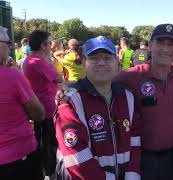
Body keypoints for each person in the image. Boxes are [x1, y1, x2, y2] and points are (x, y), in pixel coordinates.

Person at [54, 36, 141, 180]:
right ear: (83, 62)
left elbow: (135, 140)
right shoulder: (70, 102)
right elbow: (76, 157)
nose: (101, 63)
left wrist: (132, 175)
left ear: (117, 63)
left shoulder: (127, 97)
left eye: (107, 58)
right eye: (94, 58)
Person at [113, 23, 173, 180]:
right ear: (150, 45)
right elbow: (99, 86)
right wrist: (67, 90)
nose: (165, 49)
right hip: (138, 157)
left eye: (171, 44)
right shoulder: (129, 76)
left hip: (171, 157)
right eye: (160, 43)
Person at [0, 26, 45, 180]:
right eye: (8, 42)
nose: (11, 46)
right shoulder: (12, 76)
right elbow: (39, 114)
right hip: (18, 157)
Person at [23, 29, 64, 178]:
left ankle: (46, 170)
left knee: (43, 143)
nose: (50, 47)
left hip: (40, 107)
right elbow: (59, 78)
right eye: (48, 44)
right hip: (47, 109)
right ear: (43, 45)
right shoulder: (39, 62)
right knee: (50, 145)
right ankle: (51, 173)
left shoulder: (29, 59)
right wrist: (49, 61)